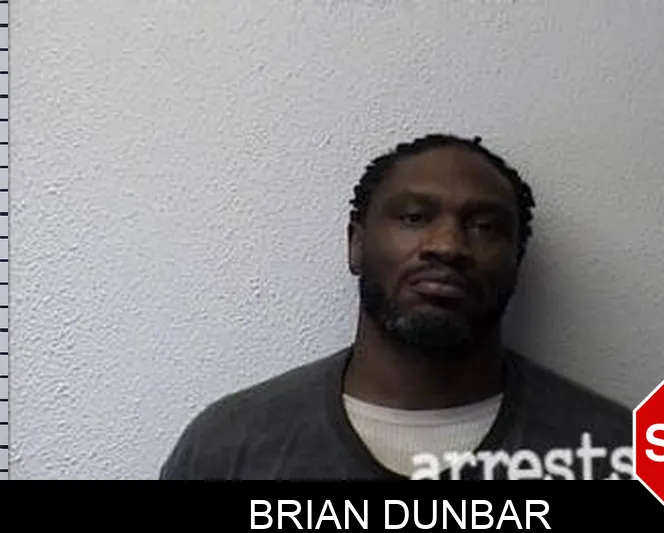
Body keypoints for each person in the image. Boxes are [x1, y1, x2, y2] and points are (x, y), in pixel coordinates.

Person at [159, 133, 633, 480]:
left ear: (516, 262)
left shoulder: (618, 452)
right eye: (414, 217)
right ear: (356, 244)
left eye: (484, 226)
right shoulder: (229, 448)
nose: (447, 246)